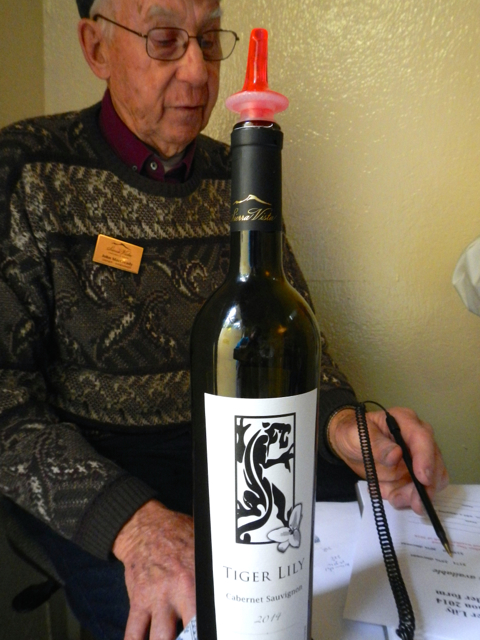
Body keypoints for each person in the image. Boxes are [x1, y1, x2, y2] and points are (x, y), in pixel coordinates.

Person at [0, 0, 448, 639]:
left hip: (252, 454)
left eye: (209, 41)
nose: (197, 71)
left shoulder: (236, 172)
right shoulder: (26, 170)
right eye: (164, 40)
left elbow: (298, 350)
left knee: (349, 603)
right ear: (95, 47)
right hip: (105, 475)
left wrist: (345, 423)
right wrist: (134, 523)